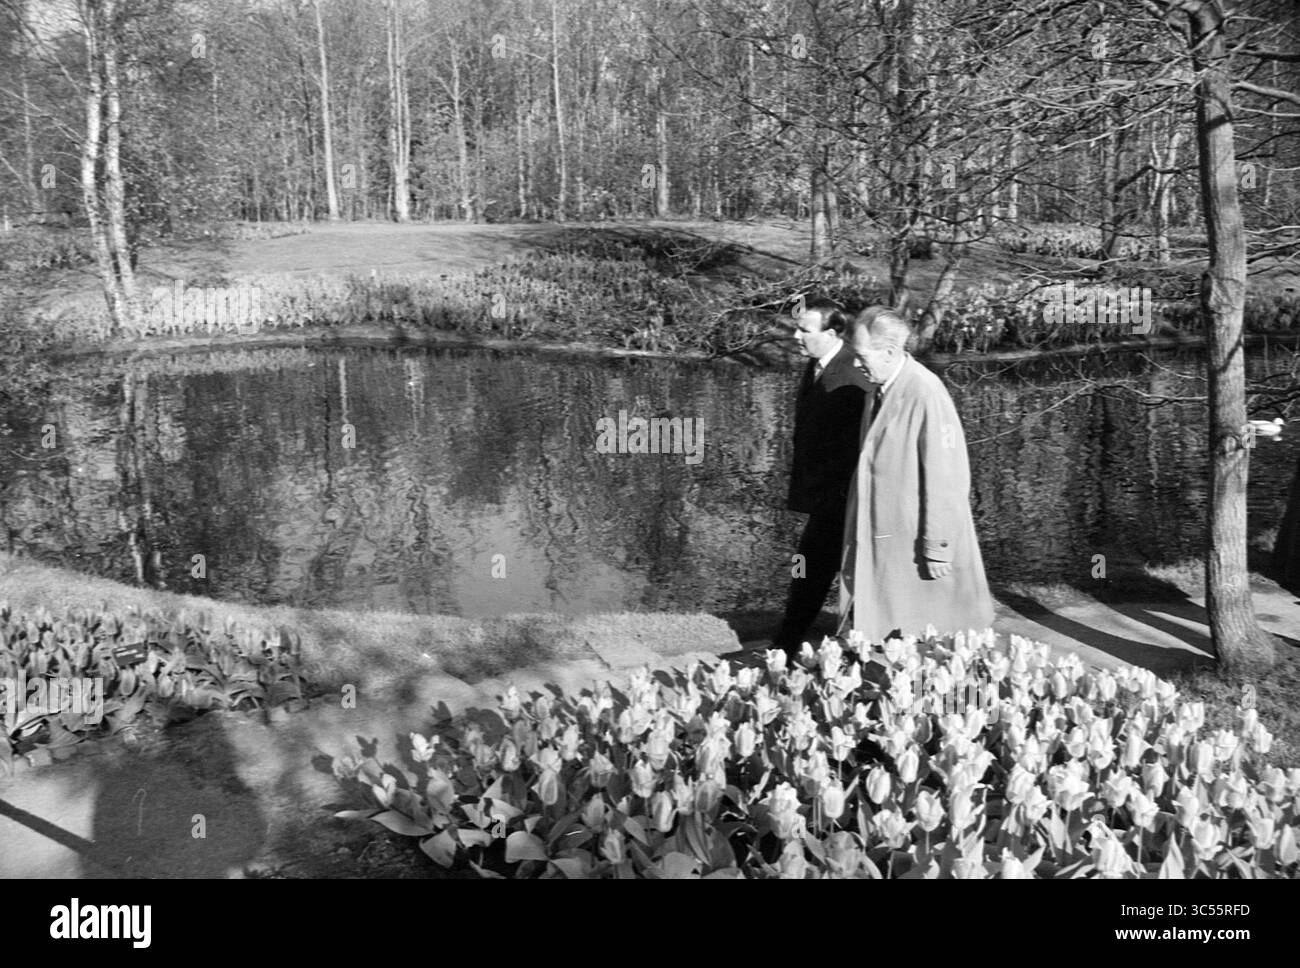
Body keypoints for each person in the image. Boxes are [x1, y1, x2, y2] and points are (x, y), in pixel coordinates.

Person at [839, 305, 995, 644]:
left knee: (934, 636)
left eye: (861, 355)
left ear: (891, 352)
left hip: (913, 542)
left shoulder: (925, 391)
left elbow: (947, 478)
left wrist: (937, 547)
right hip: (889, 536)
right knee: (896, 632)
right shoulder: (879, 387)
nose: (854, 363)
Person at [772, 296, 877, 659]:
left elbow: (860, 445)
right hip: (824, 497)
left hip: (841, 500)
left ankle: (788, 645)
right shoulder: (819, 364)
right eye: (796, 329)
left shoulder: (853, 376)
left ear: (832, 333)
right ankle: (792, 639)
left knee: (809, 569)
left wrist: (835, 499)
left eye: (804, 331)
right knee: (807, 568)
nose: (796, 338)